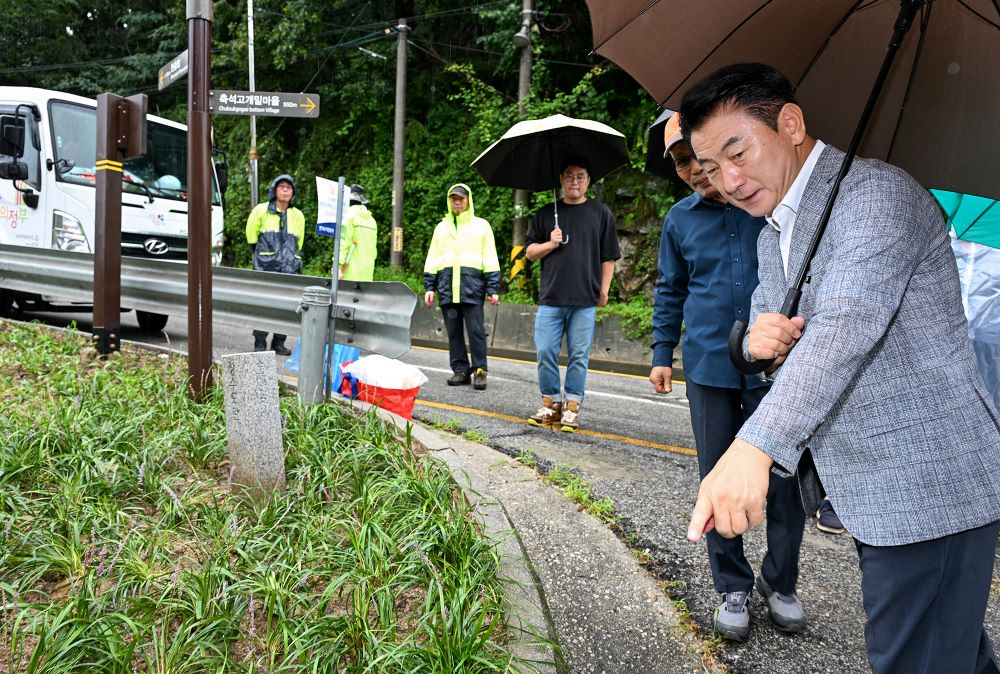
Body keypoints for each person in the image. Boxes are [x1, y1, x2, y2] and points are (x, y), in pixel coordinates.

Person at [680, 63, 1000, 673]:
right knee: (954, 655)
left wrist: (754, 447)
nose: (730, 180)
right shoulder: (772, 226)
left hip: (929, 480)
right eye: (712, 168)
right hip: (874, 486)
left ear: (790, 124)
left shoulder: (876, 195)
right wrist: (754, 345)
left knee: (919, 660)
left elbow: (844, 327)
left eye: (738, 153)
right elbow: (768, 324)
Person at [648, 112, 805, 640]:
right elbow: (670, 289)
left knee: (784, 481)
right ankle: (731, 585)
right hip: (709, 367)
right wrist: (661, 352)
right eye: (680, 161)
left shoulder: (767, 206)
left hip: (775, 367)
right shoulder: (679, 220)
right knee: (715, 475)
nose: (693, 169)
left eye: (697, 156)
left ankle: (781, 581)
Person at [525, 156, 620, 432]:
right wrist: (549, 244)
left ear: (588, 180)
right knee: (545, 351)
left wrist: (604, 289)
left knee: (579, 356)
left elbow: (608, 258)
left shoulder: (601, 213)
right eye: (569, 175)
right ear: (561, 180)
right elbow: (530, 252)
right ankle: (551, 403)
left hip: (584, 299)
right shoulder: (546, 213)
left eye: (580, 176)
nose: (574, 181)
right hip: (551, 298)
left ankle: (572, 407)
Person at [423, 183, 500, 391]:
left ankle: (480, 371)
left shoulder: (481, 226)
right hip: (447, 287)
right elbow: (433, 259)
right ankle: (461, 370)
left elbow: (490, 258)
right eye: (454, 199)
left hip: (472, 288)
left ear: (468, 200)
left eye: (461, 198)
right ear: (449, 201)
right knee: (454, 333)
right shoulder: (441, 228)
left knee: (476, 332)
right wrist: (430, 287)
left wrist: (492, 288)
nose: (457, 202)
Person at [246, 174, 305, 355]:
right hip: (266, 267)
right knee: (263, 306)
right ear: (274, 190)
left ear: (293, 192)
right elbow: (251, 236)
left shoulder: (298, 215)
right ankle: (260, 342)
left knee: (285, 307)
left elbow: (300, 242)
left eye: (289, 187)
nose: (285, 190)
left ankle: (279, 343)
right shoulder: (261, 210)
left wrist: (292, 258)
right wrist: (262, 256)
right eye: (282, 187)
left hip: (290, 268)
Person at [339, 184, 378, 282]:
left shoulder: (348, 216)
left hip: (348, 273)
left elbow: (343, 244)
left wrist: (338, 266)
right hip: (367, 274)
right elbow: (374, 252)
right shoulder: (372, 220)